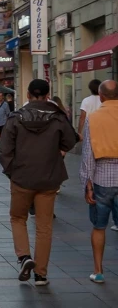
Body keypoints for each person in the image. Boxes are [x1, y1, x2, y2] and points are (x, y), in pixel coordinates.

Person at [0, 79, 79, 286]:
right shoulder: (58, 117)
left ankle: (24, 257)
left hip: (21, 177)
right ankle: (41, 274)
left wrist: (11, 172)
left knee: (18, 218)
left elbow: (5, 149)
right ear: (47, 95)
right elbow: (71, 140)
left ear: (27, 95)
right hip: (49, 178)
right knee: (44, 226)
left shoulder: (15, 117)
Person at [80, 79, 118, 284]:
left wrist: (87, 184)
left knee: (99, 226)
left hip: (102, 177)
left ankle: (98, 270)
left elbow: (88, 154)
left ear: (101, 96)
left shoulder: (93, 119)